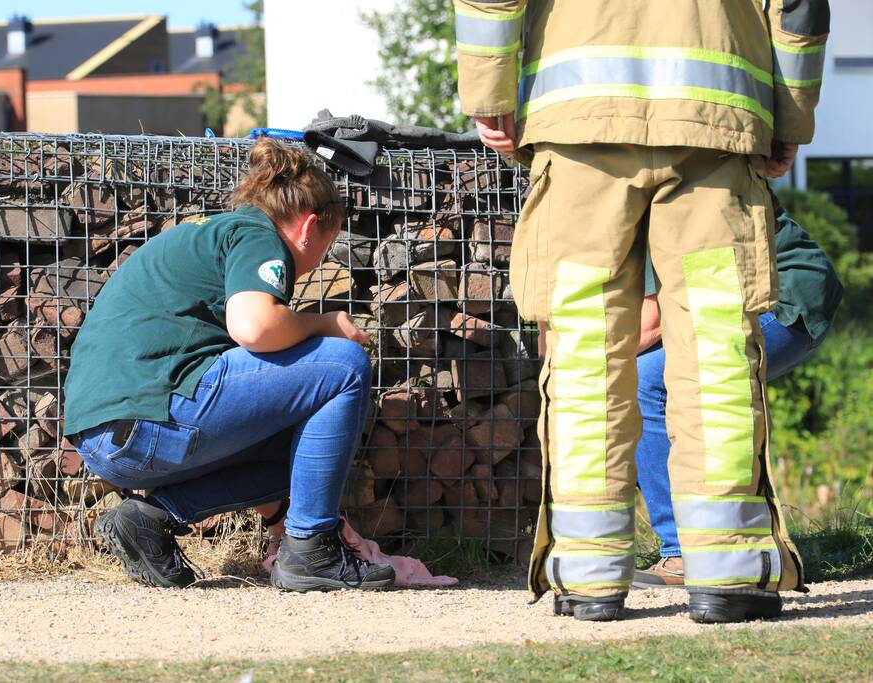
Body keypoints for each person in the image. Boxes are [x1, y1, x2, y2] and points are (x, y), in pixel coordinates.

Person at [455, 0, 829, 622]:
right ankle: (729, 570)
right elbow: (799, 7)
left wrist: (489, 91)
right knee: (715, 351)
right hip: (716, 123)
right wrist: (790, 117)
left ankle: (589, 572)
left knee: (583, 351)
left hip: (578, 125)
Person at [62, 139, 396, 592]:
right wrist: (326, 323)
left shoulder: (212, 234)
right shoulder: (257, 235)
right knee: (343, 363)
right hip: (150, 416)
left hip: (108, 438)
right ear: (309, 227)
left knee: (304, 449)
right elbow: (255, 328)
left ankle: (150, 519)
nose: (315, 264)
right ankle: (314, 551)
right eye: (326, 247)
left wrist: (281, 521)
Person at [634, 202, 843, 588]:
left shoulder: (650, 207)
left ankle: (681, 553)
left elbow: (651, 324)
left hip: (785, 301)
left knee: (642, 381)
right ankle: (727, 544)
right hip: (768, 295)